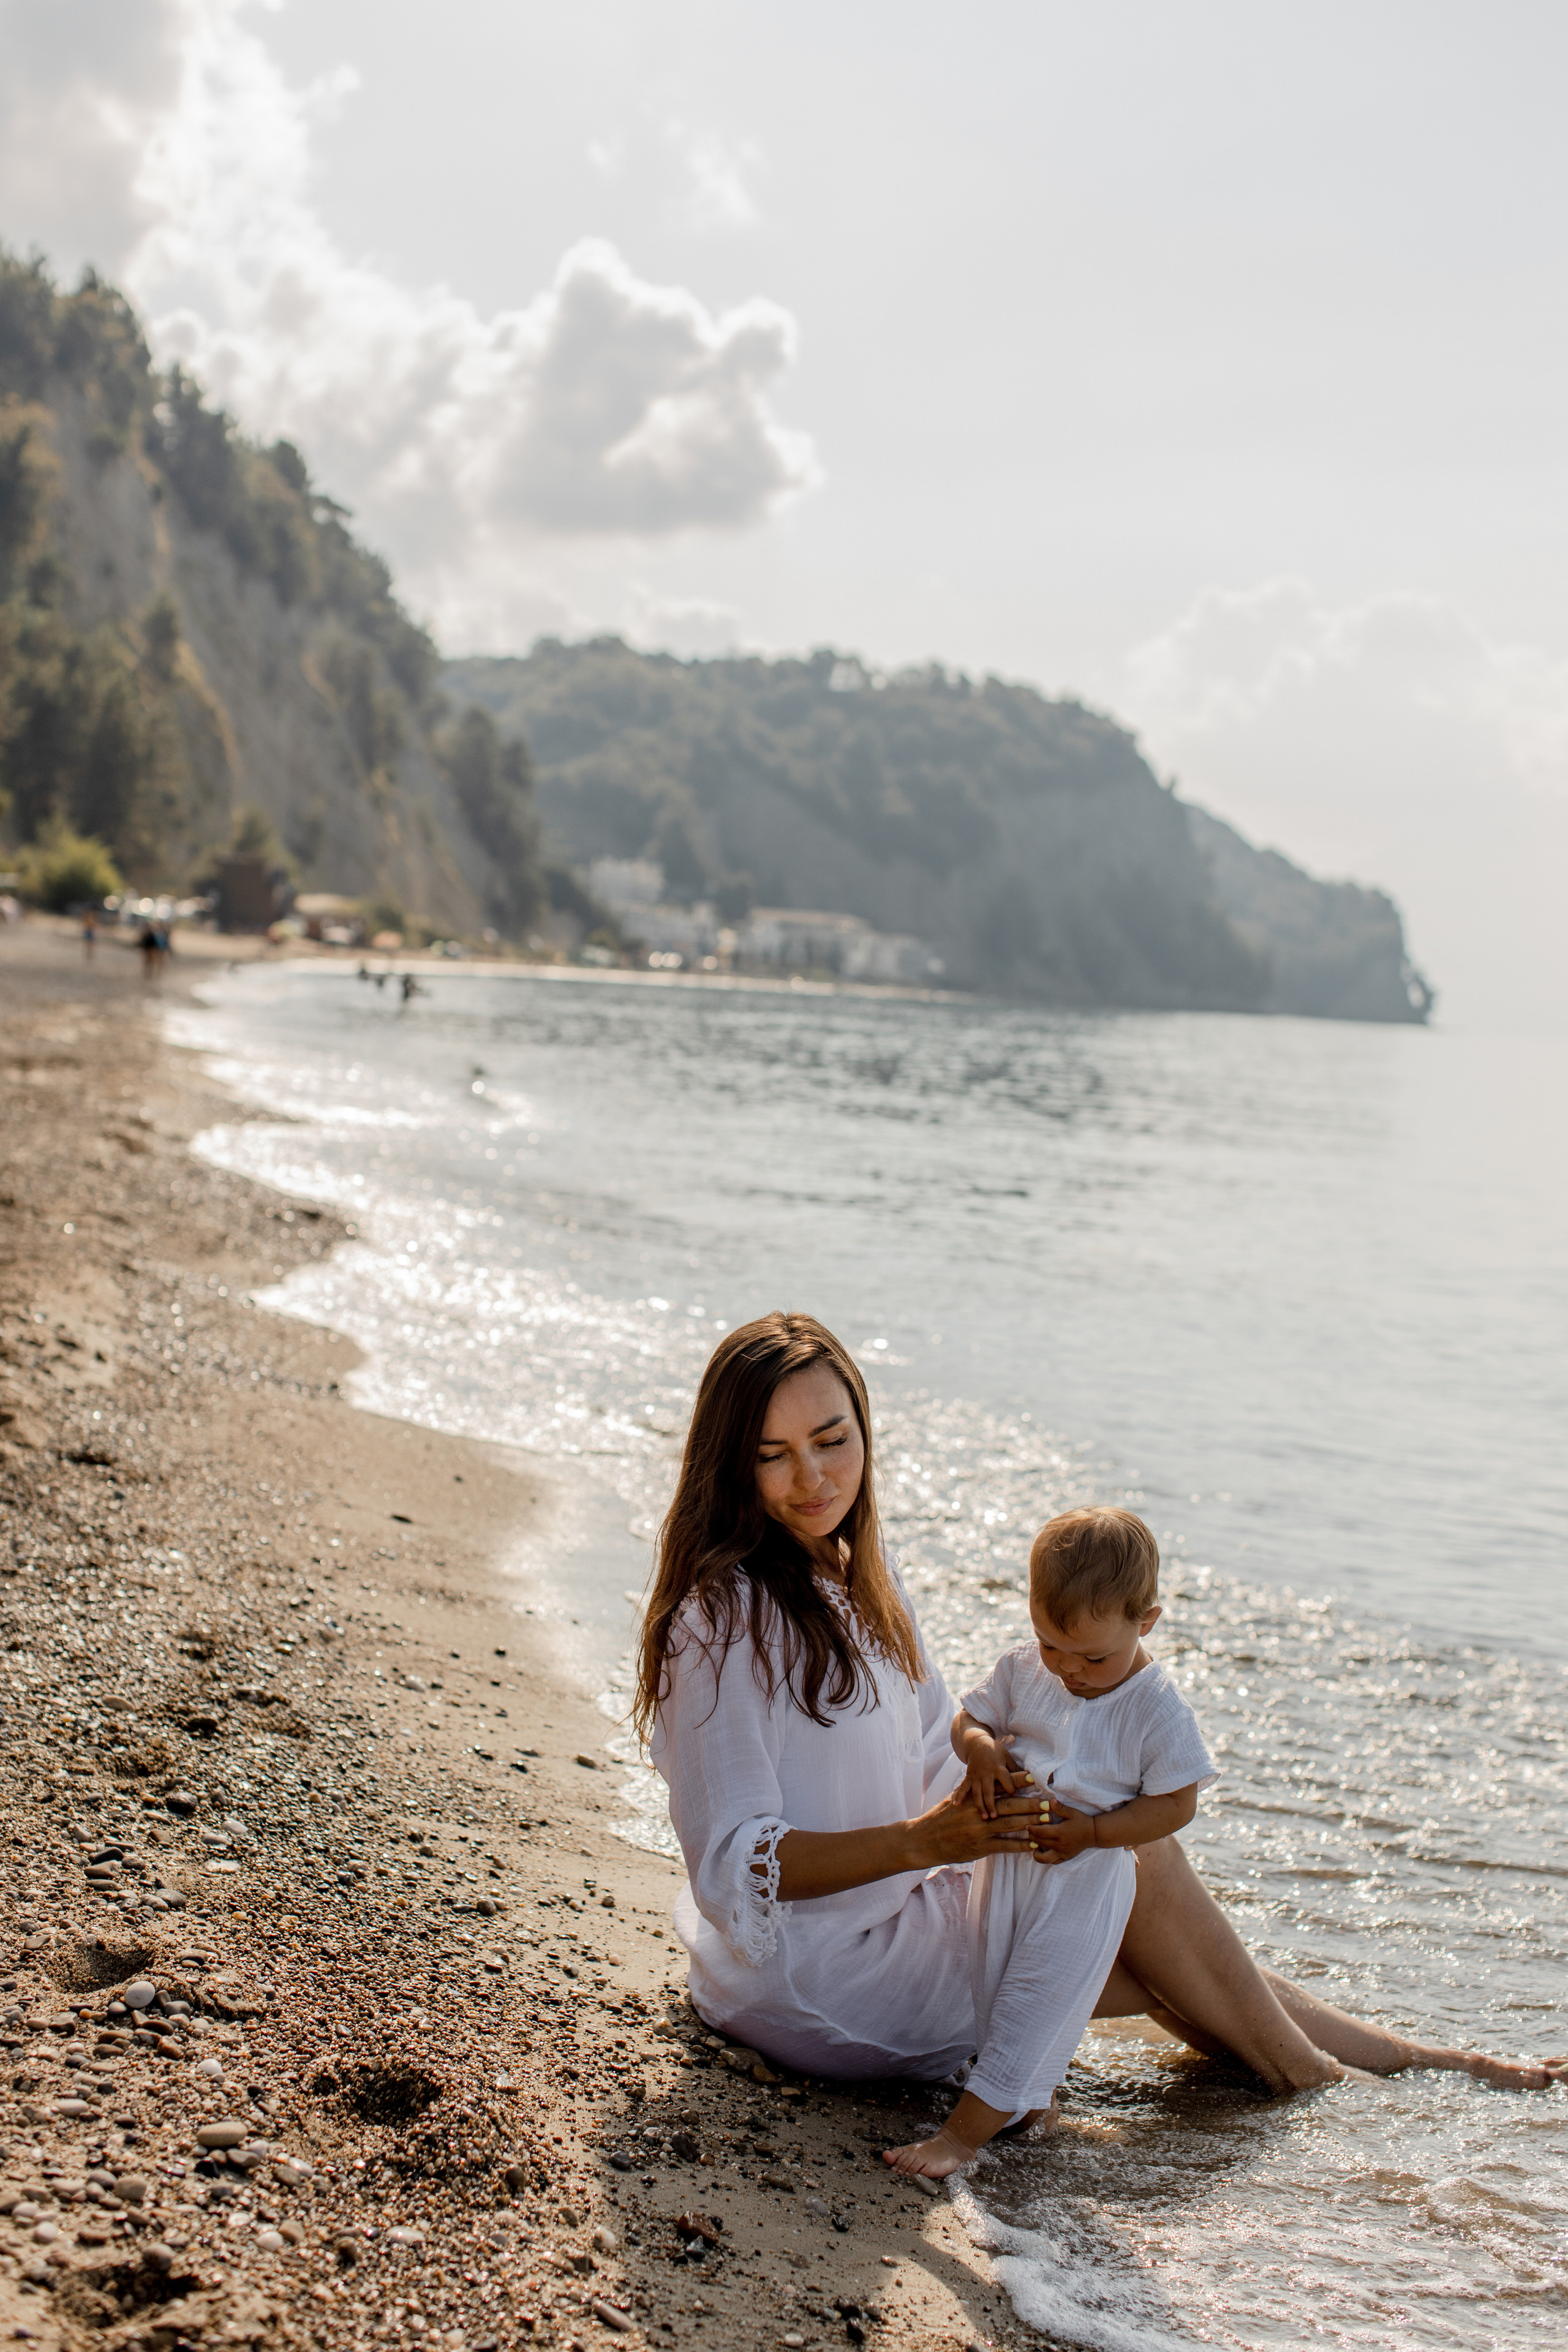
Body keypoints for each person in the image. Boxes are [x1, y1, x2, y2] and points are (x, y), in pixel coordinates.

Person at [638, 1312, 1561, 2173]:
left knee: (1122, 1883)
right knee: (1135, 1884)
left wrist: (996, 1783)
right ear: (733, 1466)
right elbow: (733, 1863)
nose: (815, 1479)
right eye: (776, 1457)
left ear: (866, 1433)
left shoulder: (854, 1575)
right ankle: (1324, 2085)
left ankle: (1401, 2061)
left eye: (833, 1440)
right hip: (816, 1975)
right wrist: (932, 1842)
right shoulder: (715, 1624)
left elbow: (933, 1749)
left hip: (904, 1902)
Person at [885, 1504, 1216, 2178]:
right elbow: (971, 1717)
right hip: (1009, 1866)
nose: (1068, 1669)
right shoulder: (1024, 1668)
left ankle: (959, 2139)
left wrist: (1096, 1830)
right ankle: (1031, 2104)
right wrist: (978, 1751)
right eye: (1049, 1645)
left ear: (1144, 1621)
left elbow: (1176, 1802)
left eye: (1092, 1656)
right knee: (994, 1986)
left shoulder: (1156, 1709)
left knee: (1035, 2002)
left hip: (1085, 1879)